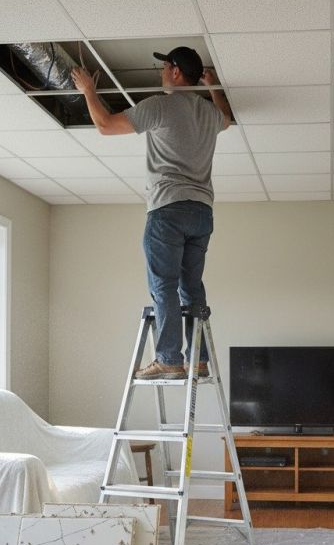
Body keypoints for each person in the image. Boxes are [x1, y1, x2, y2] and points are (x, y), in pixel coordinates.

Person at [71, 47, 231, 379]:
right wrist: (213, 86)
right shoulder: (208, 113)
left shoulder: (160, 105)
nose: (160, 72)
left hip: (169, 208)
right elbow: (226, 117)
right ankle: (197, 360)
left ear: (175, 72)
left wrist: (88, 90)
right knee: (191, 286)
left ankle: (170, 359)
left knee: (164, 285)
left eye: (164, 67)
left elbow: (104, 125)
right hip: (201, 212)